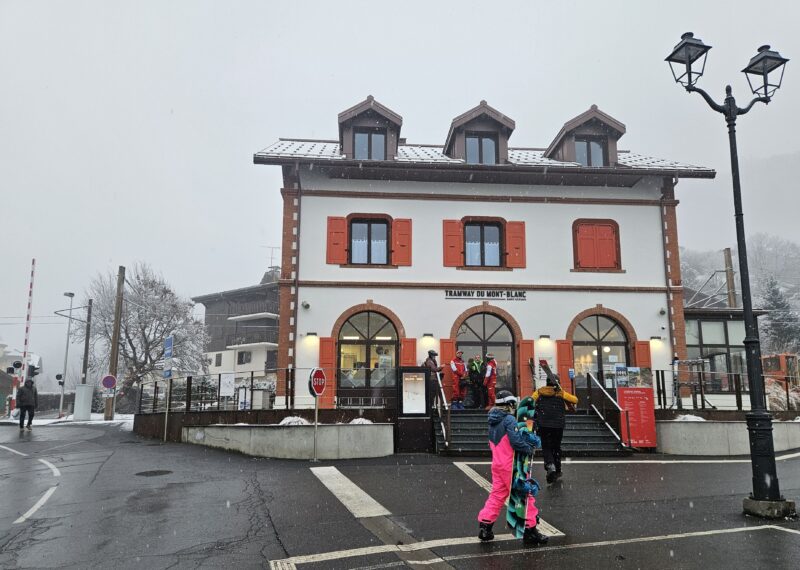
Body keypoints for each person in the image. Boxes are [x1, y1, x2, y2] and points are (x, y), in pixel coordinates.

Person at [478, 390, 548, 547]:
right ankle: (530, 531)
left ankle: (485, 527)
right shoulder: (509, 419)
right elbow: (515, 441)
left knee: (497, 495)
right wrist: (529, 448)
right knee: (524, 495)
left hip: (497, 464)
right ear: (509, 405)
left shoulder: (492, 421)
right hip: (511, 466)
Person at [532, 376, 579, 483]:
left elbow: (531, 400)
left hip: (543, 424)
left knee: (546, 447)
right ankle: (557, 470)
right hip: (558, 425)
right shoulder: (560, 393)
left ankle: (550, 465)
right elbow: (575, 400)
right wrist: (562, 393)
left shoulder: (539, 392)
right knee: (556, 447)